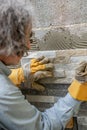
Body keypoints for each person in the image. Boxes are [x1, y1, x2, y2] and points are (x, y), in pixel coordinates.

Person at [0, 0, 87, 130]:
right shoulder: (4, 93)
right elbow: (43, 127)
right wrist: (75, 94)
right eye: (22, 38)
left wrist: (17, 76)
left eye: (30, 36)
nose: (29, 45)